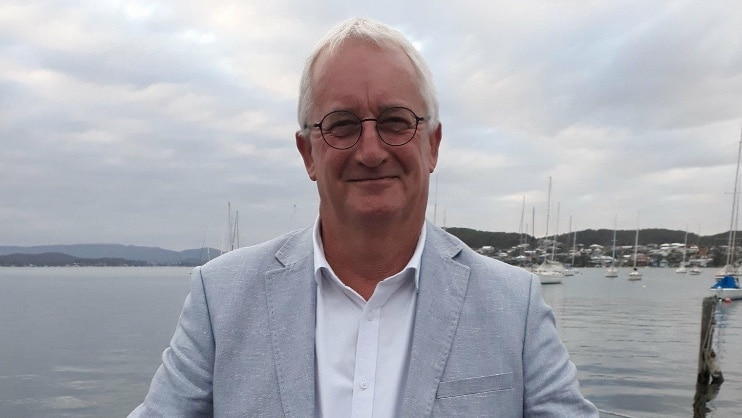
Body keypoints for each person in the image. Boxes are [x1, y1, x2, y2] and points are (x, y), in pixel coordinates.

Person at [129, 17, 599, 417]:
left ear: (432, 145)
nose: (371, 151)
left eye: (396, 121)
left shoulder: (513, 306)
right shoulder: (221, 298)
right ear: (307, 153)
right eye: (342, 125)